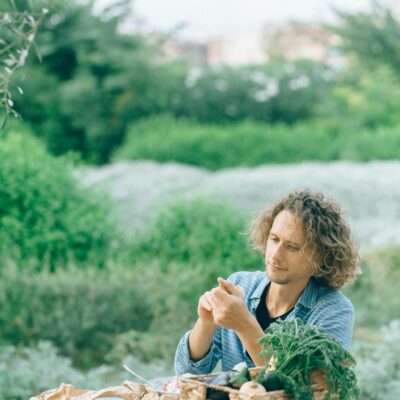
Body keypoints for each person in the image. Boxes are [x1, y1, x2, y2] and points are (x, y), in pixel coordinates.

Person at [174, 190, 360, 375]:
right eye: (274, 239)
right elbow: (186, 372)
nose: (275, 254)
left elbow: (303, 388)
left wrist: (244, 324)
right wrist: (206, 322)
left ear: (320, 258)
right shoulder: (239, 284)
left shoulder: (333, 311)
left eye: (292, 247)